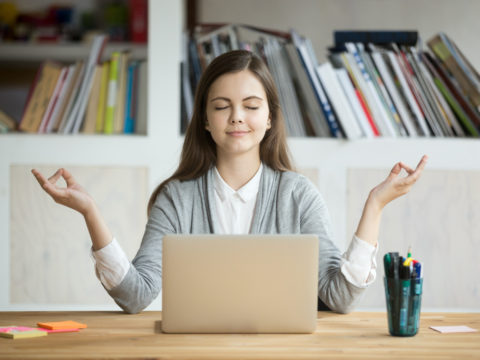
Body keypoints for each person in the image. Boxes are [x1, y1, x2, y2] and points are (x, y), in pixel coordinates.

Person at [32, 50, 427, 314]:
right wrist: (90, 212)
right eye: (222, 107)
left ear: (269, 117)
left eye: (251, 107)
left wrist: (374, 205)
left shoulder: (298, 195)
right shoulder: (177, 198)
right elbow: (136, 296)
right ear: (205, 120)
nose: (237, 117)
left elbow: (338, 298)